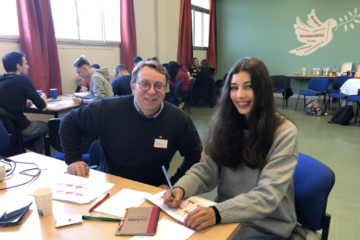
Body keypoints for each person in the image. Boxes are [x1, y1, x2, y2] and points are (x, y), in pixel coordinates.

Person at [163, 57, 298, 240]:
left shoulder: (283, 132)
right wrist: (180, 189)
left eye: (248, 87)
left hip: (267, 224)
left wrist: (217, 213)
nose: (239, 95)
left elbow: (267, 196)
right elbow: (205, 170)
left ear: (262, 90)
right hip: (228, 214)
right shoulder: (223, 125)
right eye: (234, 88)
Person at [59, 60, 203, 189]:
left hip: (152, 191)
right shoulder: (109, 108)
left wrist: (174, 184)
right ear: (133, 87)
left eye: (159, 86)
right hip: (110, 187)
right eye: (145, 84)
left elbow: (196, 157)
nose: (152, 91)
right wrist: (74, 159)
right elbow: (69, 121)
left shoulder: (178, 120)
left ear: (165, 90)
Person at [0, 51, 49, 153]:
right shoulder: (22, 79)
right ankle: (35, 154)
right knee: (48, 126)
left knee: (38, 133)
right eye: (25, 63)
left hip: (4, 129)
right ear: (19, 66)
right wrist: (43, 97)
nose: (28, 66)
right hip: (19, 126)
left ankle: (31, 152)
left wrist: (24, 101)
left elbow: (8, 100)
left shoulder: (1, 79)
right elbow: (42, 107)